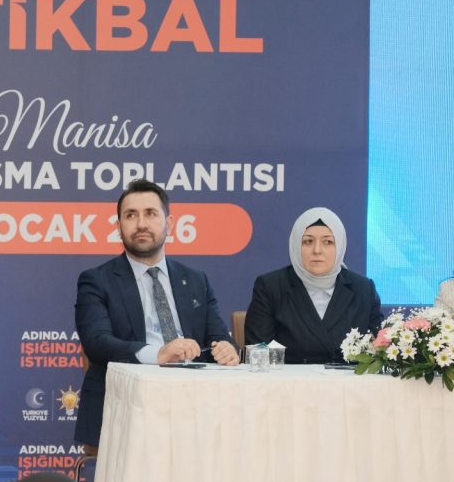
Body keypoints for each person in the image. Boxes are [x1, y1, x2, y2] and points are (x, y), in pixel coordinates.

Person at [74, 179, 239, 449]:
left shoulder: (196, 280)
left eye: (150, 213)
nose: (141, 224)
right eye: (131, 215)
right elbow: (97, 343)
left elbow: (219, 337)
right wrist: (158, 354)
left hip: (197, 406)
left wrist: (228, 349)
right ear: (118, 226)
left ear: (169, 223)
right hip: (129, 409)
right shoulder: (97, 280)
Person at [244, 207, 383, 364]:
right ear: (296, 245)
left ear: (340, 246)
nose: (317, 250)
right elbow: (257, 351)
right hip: (288, 379)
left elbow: (381, 348)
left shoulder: (363, 289)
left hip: (347, 379)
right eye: (308, 241)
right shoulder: (271, 287)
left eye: (328, 242)